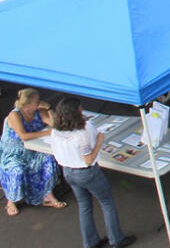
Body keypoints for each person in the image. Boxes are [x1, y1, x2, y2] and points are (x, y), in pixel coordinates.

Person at [48, 98, 135, 248]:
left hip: (68, 171)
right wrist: (100, 141)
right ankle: (116, 239)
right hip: (87, 172)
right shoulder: (83, 131)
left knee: (84, 206)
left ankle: (90, 242)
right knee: (107, 203)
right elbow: (88, 159)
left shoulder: (56, 130)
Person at [0, 89, 62, 217]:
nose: (40, 102)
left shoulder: (39, 110)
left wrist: (49, 108)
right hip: (14, 152)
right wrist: (46, 133)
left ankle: (48, 195)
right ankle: (11, 200)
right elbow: (24, 136)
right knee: (17, 169)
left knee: (49, 158)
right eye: (37, 100)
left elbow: (55, 124)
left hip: (33, 148)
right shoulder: (15, 115)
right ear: (29, 103)